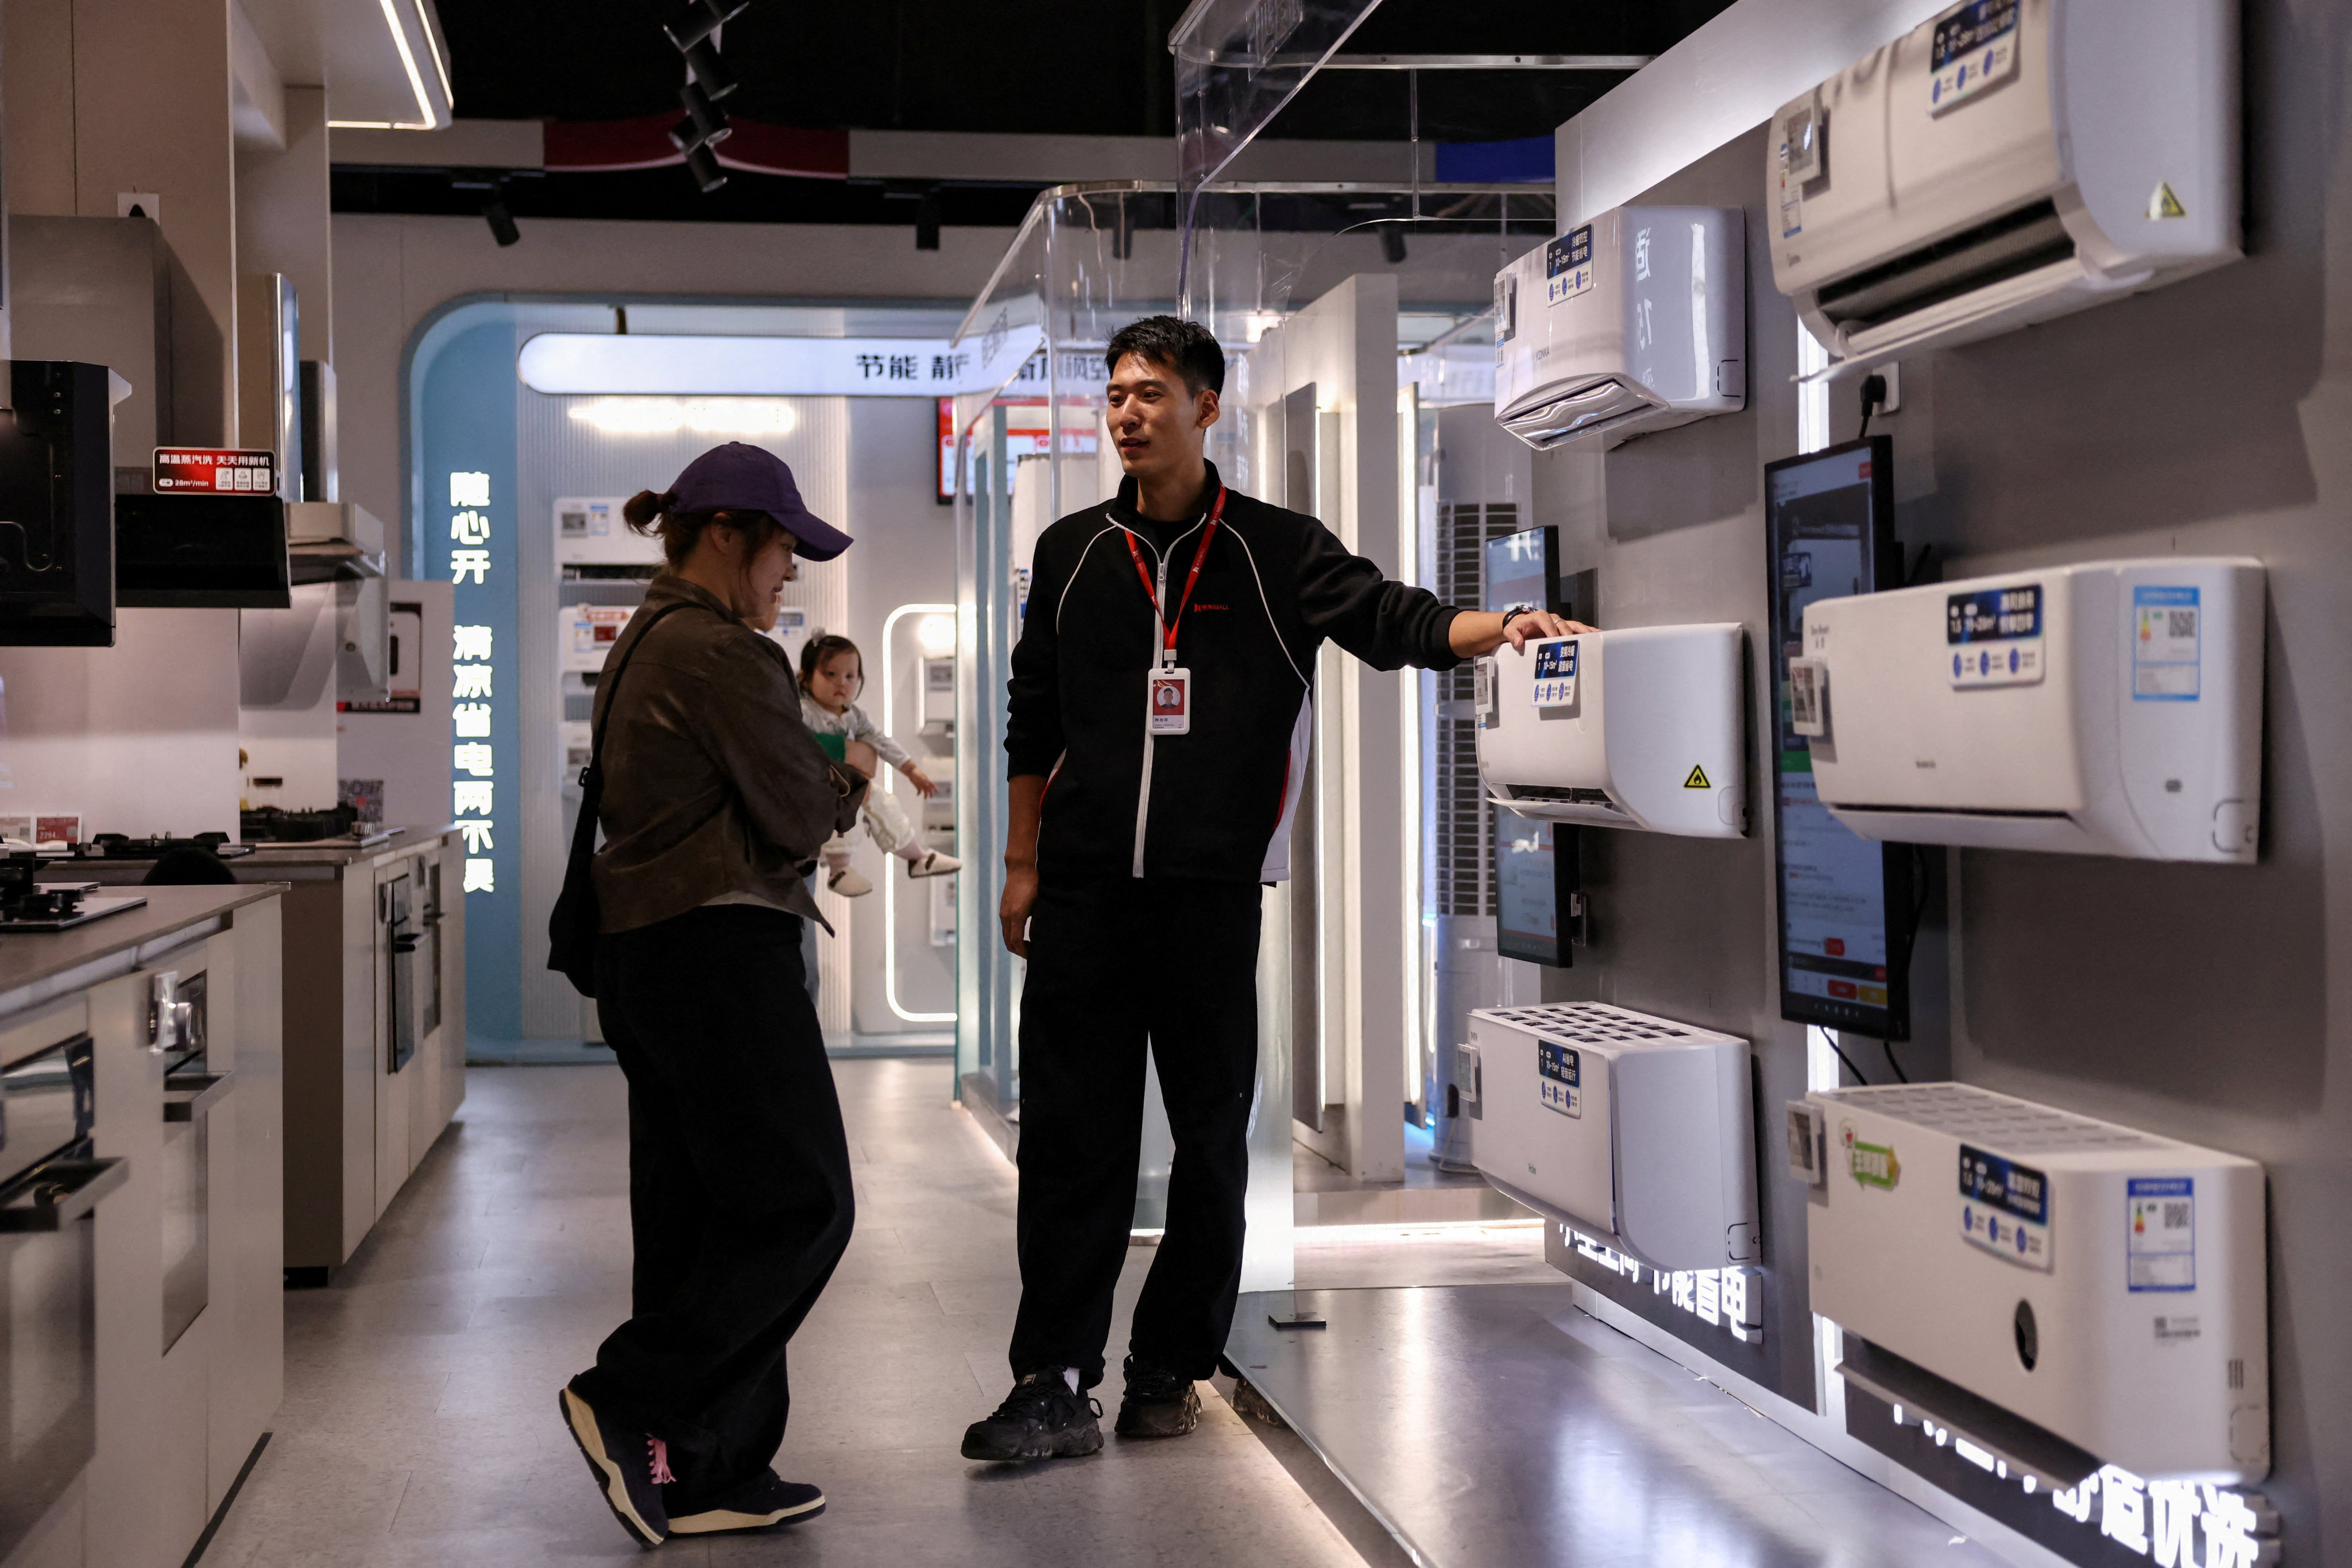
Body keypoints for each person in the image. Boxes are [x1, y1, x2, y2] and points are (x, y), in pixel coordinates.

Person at [960, 317, 1587, 1462]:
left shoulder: (1271, 548)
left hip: (1208, 899)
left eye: (1149, 392)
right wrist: (1020, 862)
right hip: (1086, 898)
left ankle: (1167, 1365)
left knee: (1208, 1147)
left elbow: (1388, 618)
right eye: (1113, 394)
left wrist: (1494, 626)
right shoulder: (1070, 552)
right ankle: (1047, 1379)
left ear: (1205, 408)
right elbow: (1031, 716)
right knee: (1070, 1143)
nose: (1125, 411)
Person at [558, 443, 865, 1547]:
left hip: (650, 956)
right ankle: (627, 1394)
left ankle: (706, 1466)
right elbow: (793, 814)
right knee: (802, 1204)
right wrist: (848, 779)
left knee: (701, 1216)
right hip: (719, 949)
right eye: (784, 547)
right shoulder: (723, 652)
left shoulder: (643, 639)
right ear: (728, 534)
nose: (791, 573)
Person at [796, 633, 962, 896]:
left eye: (850, 676)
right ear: (806, 677)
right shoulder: (803, 712)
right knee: (844, 814)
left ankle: (917, 857)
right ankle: (840, 869)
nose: (842, 683)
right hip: (817, 791)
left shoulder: (854, 715)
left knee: (885, 804)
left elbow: (880, 742)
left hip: (851, 784)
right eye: (831, 674)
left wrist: (911, 770)